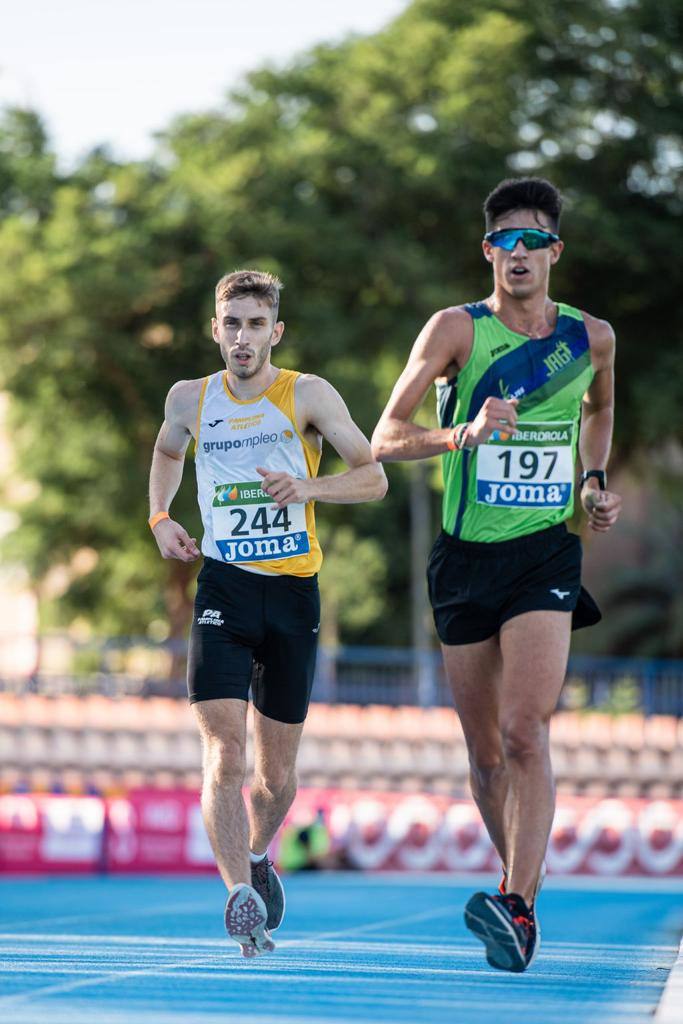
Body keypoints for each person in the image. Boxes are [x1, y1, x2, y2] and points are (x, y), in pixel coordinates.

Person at [371, 178, 621, 973]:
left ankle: (517, 902)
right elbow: (382, 436)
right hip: (463, 558)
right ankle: (516, 888)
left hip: (545, 552)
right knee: (483, 756)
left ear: (554, 251)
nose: (517, 255)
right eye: (503, 242)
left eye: (532, 242)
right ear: (487, 252)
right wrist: (463, 434)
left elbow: (601, 410)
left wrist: (591, 479)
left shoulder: (591, 340)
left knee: (524, 731)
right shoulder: (454, 329)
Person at [148, 269, 387, 958]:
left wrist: (306, 486)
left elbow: (371, 477)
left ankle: (255, 854)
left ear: (274, 332)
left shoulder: (306, 394)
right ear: (214, 329)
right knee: (223, 752)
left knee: (274, 776)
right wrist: (160, 516)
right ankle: (237, 898)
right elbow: (167, 451)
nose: (243, 337)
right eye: (232, 324)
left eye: (256, 325)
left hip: (291, 594)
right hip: (222, 588)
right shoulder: (190, 399)